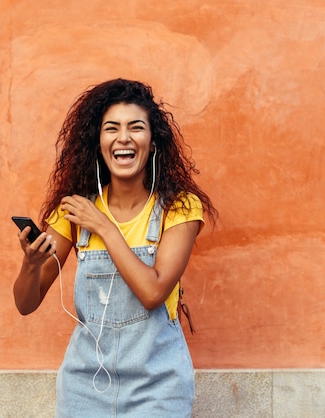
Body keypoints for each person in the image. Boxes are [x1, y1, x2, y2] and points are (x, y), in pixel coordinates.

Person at [13, 78, 217, 417]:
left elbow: (153, 292)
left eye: (136, 127)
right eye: (112, 129)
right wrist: (31, 264)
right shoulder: (75, 211)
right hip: (84, 387)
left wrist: (104, 227)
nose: (124, 138)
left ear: (153, 143)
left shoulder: (179, 209)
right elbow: (25, 303)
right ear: (98, 142)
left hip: (158, 388)